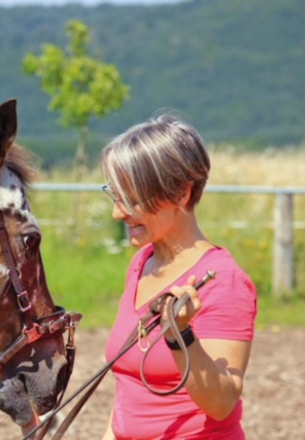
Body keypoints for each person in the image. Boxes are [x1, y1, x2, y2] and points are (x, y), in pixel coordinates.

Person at [100, 113, 257, 440]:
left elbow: (222, 402)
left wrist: (180, 335)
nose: (118, 212)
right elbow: (129, 394)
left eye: (132, 199)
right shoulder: (142, 261)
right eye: (115, 196)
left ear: (181, 194)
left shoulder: (224, 281)